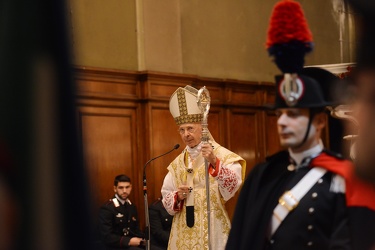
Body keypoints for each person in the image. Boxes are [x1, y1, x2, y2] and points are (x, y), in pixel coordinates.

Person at [161, 85, 246, 250]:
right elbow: (166, 199)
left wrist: (214, 161)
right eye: (182, 130)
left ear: (202, 128)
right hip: (183, 228)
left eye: (190, 128)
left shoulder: (223, 155)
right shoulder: (177, 164)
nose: (186, 134)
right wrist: (177, 196)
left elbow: (233, 185)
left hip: (213, 226)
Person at [98, 174, 146, 250]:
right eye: (121, 188)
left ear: (131, 187)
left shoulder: (132, 206)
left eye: (127, 187)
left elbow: (135, 230)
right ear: (115, 188)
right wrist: (129, 241)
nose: (124, 191)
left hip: (132, 245)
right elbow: (107, 236)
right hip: (116, 246)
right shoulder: (107, 208)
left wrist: (143, 239)